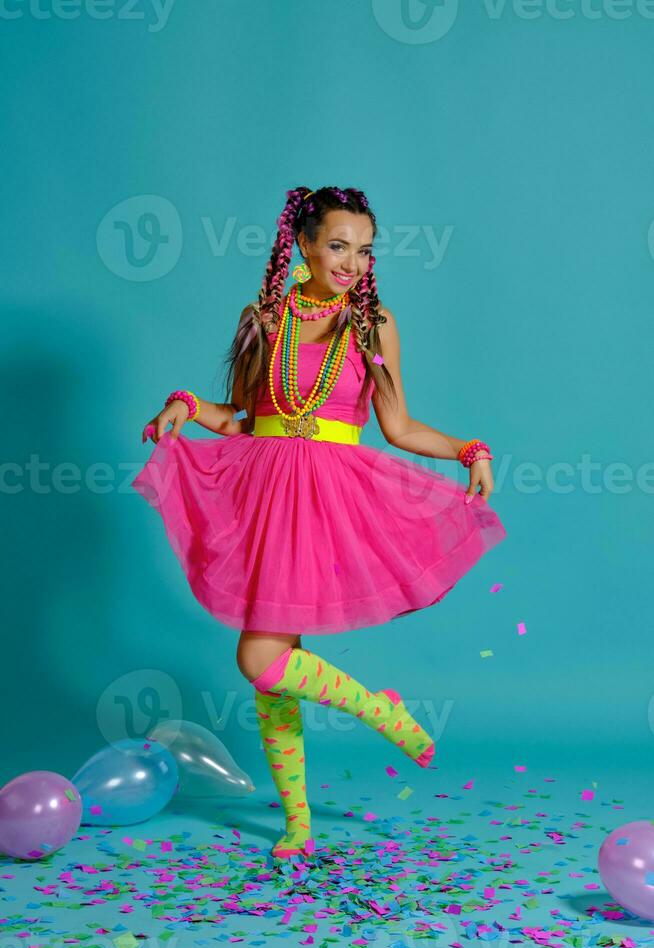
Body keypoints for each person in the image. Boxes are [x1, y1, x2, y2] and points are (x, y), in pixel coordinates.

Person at [132, 185, 507, 859]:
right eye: (338, 246)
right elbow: (243, 417)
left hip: (331, 497)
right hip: (266, 493)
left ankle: (379, 709)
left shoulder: (373, 324)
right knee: (274, 668)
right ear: (302, 243)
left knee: (261, 657)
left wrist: (468, 449)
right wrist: (184, 405)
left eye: (364, 250)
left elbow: (396, 426)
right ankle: (298, 823)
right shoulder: (265, 317)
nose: (352, 263)